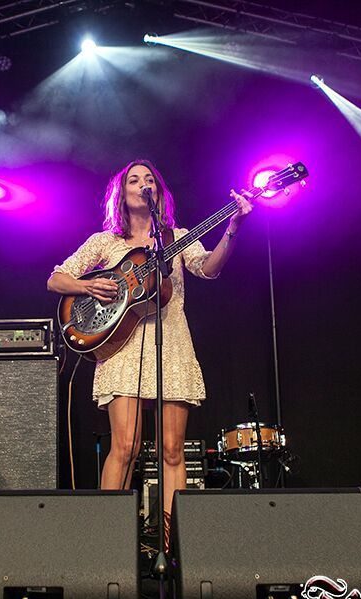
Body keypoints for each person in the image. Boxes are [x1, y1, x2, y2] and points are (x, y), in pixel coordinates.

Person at [48, 159, 252, 540]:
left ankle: (174, 545)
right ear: (121, 193)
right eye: (134, 179)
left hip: (170, 341)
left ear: (159, 191)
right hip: (121, 348)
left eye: (150, 180)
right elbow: (56, 278)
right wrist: (89, 287)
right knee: (125, 446)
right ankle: (107, 540)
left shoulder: (178, 236)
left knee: (173, 452)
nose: (143, 184)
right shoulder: (104, 242)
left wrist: (234, 228)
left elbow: (208, 269)